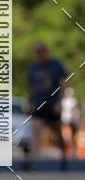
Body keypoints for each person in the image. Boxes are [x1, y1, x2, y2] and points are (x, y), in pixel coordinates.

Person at [27, 41, 67, 170]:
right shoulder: (34, 67)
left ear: (46, 51)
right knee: (35, 128)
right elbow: (31, 87)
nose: (40, 54)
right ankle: (34, 161)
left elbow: (63, 84)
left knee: (57, 131)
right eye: (37, 52)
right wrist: (30, 103)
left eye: (42, 51)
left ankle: (63, 157)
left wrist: (60, 102)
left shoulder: (56, 65)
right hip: (39, 105)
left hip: (53, 104)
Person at [61, 86, 80, 158]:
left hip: (72, 120)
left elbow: (76, 110)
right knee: (65, 137)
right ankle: (65, 152)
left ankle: (73, 152)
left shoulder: (74, 101)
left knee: (74, 137)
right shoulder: (63, 101)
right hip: (65, 120)